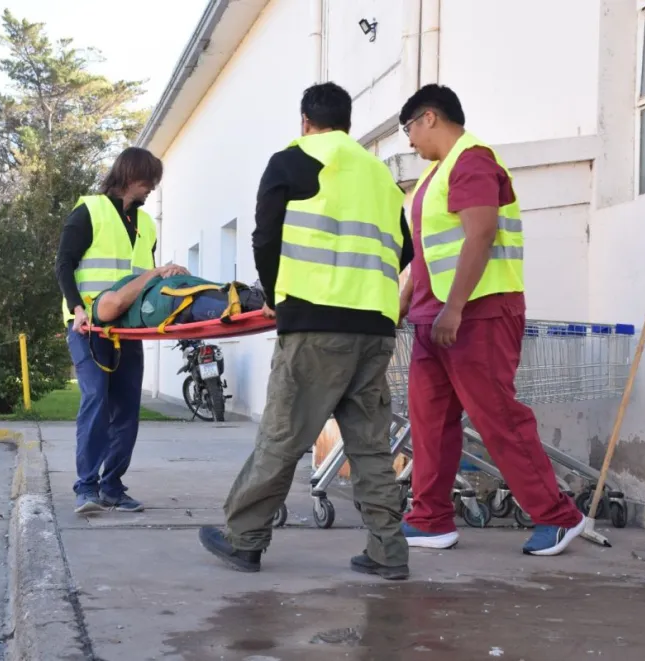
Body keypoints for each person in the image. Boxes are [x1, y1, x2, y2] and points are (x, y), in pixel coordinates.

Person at [198, 82, 414, 579]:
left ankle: (244, 538)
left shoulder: (291, 161)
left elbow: (265, 237)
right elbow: (404, 248)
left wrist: (278, 296)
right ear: (347, 123)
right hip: (375, 328)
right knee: (369, 446)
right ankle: (388, 551)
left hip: (315, 326)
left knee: (283, 435)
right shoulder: (379, 177)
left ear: (305, 121)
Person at [397, 84, 586, 556]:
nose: (409, 142)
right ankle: (430, 520)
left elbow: (480, 234)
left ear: (429, 117)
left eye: (408, 129)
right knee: (429, 422)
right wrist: (401, 308)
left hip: (475, 313)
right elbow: (424, 255)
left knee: (497, 418)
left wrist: (454, 307)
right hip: (432, 318)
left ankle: (558, 516)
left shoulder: (472, 160)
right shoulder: (435, 175)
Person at [55, 147, 162, 515]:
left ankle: (112, 486)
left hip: (128, 330)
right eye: (149, 180)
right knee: (96, 397)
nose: (152, 188)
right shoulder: (90, 211)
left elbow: (147, 280)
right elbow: (64, 263)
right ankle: (86, 488)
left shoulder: (147, 225)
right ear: (130, 176)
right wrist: (77, 308)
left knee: (128, 408)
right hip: (88, 326)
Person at [90, 271, 265, 330]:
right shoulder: (98, 305)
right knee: (200, 299)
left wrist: (171, 271)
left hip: (169, 290)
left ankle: (255, 295)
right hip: (160, 302)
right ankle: (255, 300)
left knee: (217, 290)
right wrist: (157, 271)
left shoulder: (126, 286)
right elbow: (114, 305)